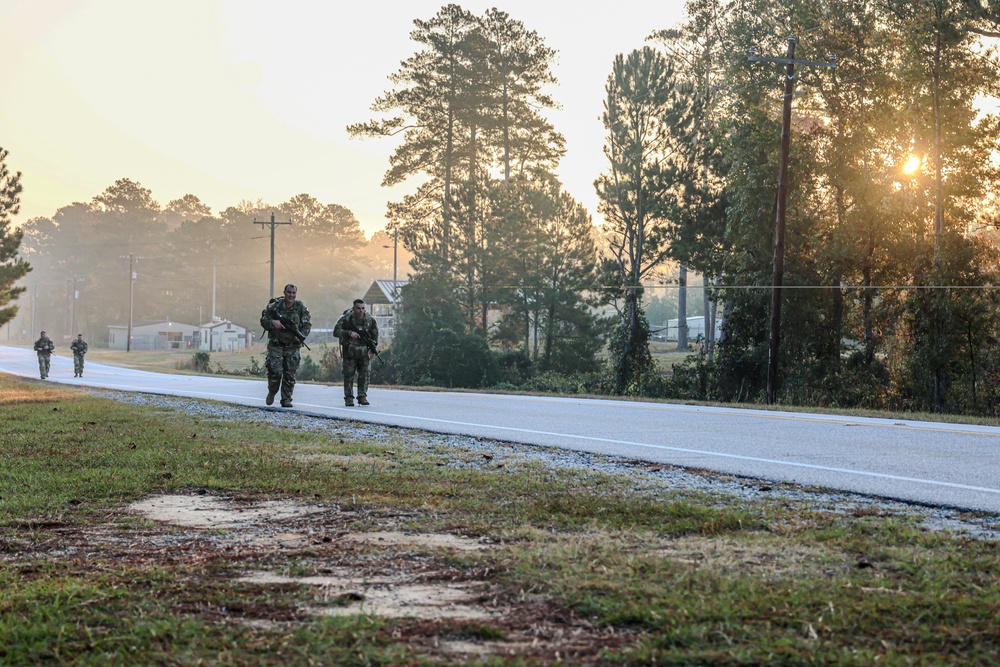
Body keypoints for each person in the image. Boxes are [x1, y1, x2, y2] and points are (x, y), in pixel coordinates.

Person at [259, 283, 311, 408]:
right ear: (284, 292)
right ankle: (272, 391)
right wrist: (273, 322)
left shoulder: (300, 307)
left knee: (290, 374)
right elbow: (263, 320)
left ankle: (286, 399)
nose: (291, 295)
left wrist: (301, 336)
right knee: (275, 371)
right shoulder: (275, 306)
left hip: (292, 346)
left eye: (293, 293)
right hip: (276, 345)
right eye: (289, 292)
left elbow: (307, 325)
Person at [334, 298, 379, 407]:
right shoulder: (346, 318)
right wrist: (349, 333)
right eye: (358, 308)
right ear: (353, 309)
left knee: (364, 374)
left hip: (364, 352)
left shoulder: (370, 320)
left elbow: (375, 336)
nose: (361, 311)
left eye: (363, 308)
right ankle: (349, 398)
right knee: (348, 375)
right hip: (349, 351)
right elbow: (336, 331)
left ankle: (362, 396)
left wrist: (372, 351)